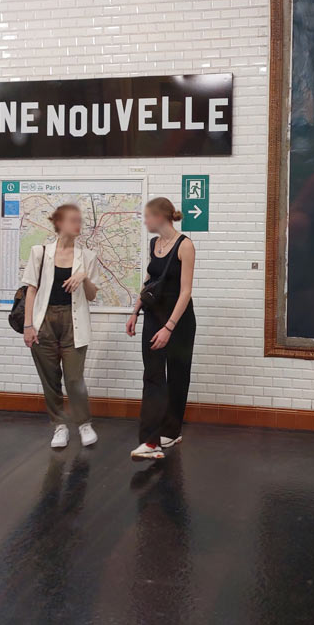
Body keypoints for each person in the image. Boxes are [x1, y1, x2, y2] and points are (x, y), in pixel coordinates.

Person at [22, 204, 101, 449]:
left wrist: (84, 277)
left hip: (73, 321)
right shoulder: (40, 252)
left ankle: (84, 423)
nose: (78, 224)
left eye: (80, 220)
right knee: (50, 377)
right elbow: (31, 290)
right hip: (43, 320)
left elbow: (91, 296)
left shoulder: (87, 257)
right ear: (59, 223)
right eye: (72, 220)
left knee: (74, 378)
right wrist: (28, 325)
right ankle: (59, 426)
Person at [125, 197, 197, 460]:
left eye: (147, 216)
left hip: (178, 321)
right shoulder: (154, 243)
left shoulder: (185, 245)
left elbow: (186, 292)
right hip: (153, 317)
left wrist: (169, 327)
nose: (144, 221)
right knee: (153, 375)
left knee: (178, 375)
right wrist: (135, 311)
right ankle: (151, 441)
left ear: (160, 217)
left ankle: (172, 429)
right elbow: (149, 281)